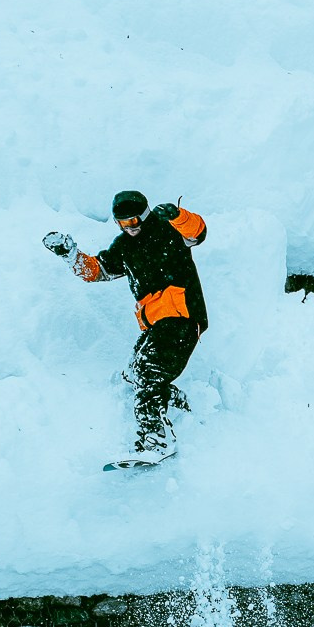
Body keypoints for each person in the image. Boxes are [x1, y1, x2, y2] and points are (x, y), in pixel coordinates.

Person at [43, 191, 208, 460]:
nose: (128, 228)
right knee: (134, 372)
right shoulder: (124, 245)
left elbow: (197, 233)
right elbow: (98, 270)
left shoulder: (168, 230)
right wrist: (71, 255)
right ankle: (175, 405)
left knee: (148, 370)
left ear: (144, 216)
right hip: (156, 323)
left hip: (181, 315)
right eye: (121, 223)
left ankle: (157, 440)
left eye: (132, 222)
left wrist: (178, 216)